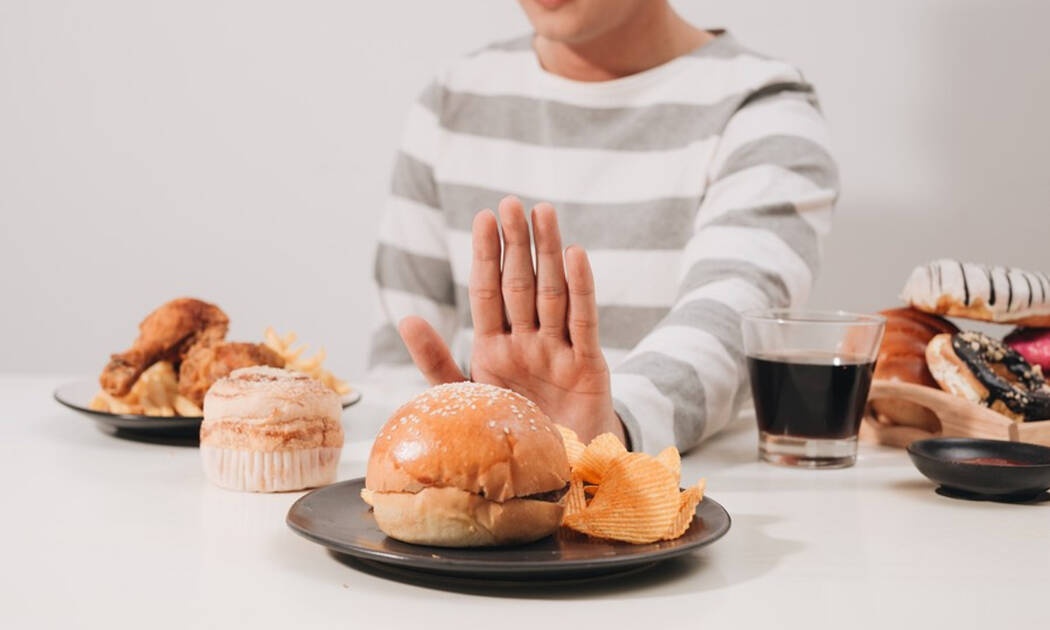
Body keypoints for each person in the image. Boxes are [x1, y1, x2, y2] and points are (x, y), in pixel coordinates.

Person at [367, 0, 838, 453]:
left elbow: (728, 325)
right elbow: (399, 360)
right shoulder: (452, 100)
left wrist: (605, 429)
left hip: (676, 503)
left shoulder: (763, 109)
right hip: (480, 497)